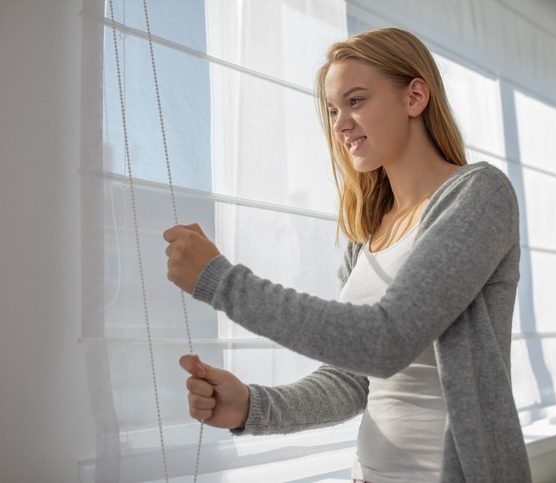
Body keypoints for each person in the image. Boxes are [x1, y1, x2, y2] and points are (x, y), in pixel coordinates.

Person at [164, 28, 532, 482]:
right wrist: (252, 405)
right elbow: (352, 378)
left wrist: (221, 281)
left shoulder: (479, 194)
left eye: (356, 101)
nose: (339, 124)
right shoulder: (368, 235)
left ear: (415, 96)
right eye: (333, 110)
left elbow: (384, 343)